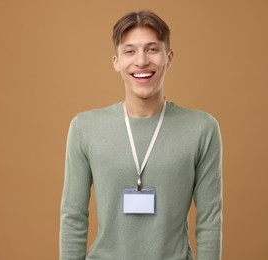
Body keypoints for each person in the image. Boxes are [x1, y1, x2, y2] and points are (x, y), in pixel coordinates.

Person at [60, 10, 223, 260]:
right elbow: (73, 217)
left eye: (152, 49)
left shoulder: (202, 128)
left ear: (169, 58)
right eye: (130, 51)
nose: (141, 61)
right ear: (116, 61)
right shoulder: (84, 128)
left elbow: (210, 218)